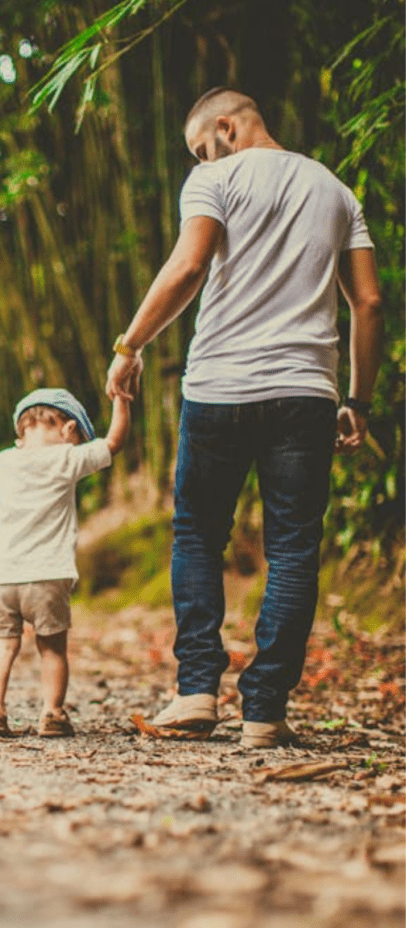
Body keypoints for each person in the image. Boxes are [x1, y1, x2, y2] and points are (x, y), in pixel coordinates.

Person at [106, 87, 383, 748]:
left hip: (219, 388)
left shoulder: (214, 177)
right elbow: (367, 303)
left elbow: (189, 264)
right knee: (292, 548)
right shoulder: (336, 190)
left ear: (226, 127)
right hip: (304, 393)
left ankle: (196, 693)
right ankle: (263, 711)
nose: (202, 157)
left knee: (198, 535)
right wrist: (358, 400)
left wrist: (129, 346)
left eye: (202, 144)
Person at [0, 388, 129, 738]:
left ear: (21, 434)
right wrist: (121, 400)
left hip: (1, 579)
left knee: (1, 647)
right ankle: (52, 713)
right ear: (69, 432)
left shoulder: (2, 463)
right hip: (49, 575)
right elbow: (114, 441)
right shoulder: (65, 460)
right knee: (52, 648)